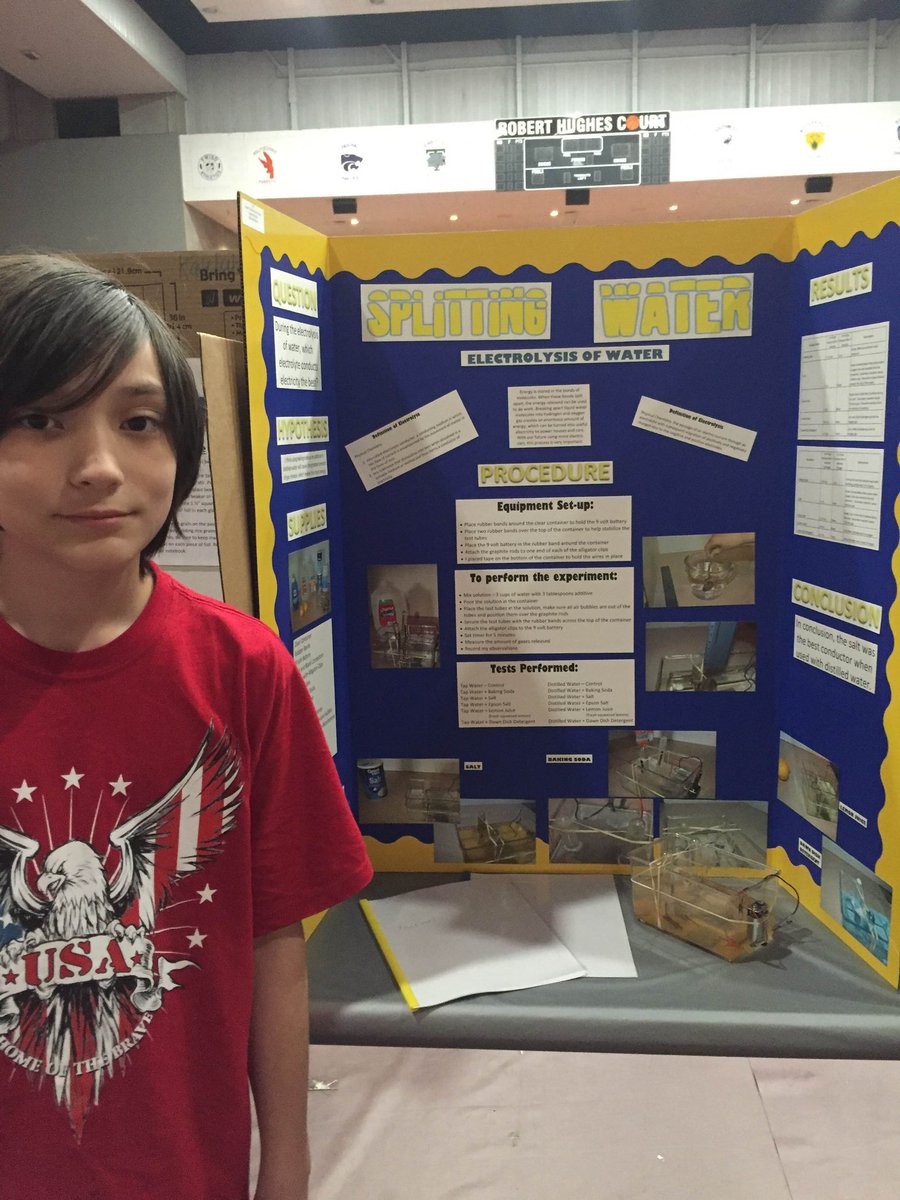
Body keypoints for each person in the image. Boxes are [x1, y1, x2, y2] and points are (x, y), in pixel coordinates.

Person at [0, 254, 373, 1199]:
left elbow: (273, 939)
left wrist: (284, 1168)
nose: (97, 467)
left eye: (138, 422)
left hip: (181, 1169)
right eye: (41, 420)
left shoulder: (241, 672)